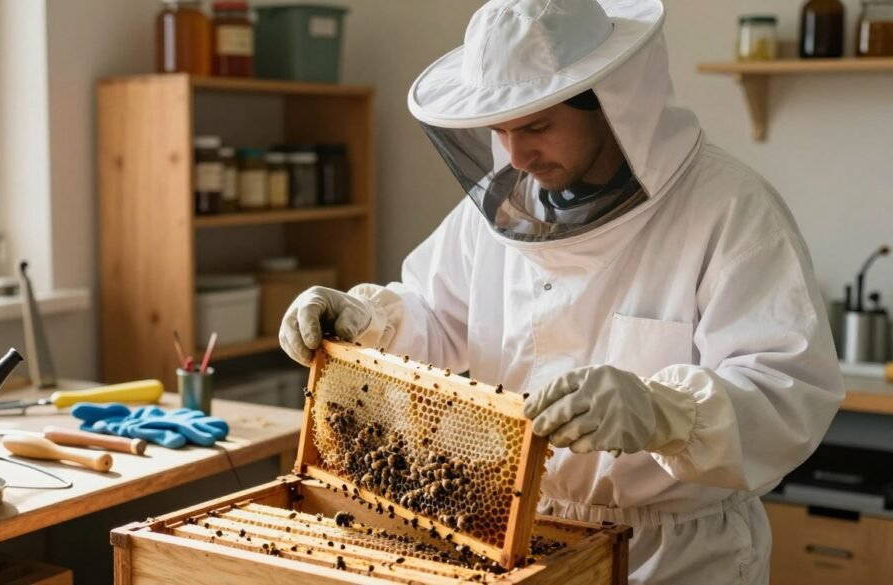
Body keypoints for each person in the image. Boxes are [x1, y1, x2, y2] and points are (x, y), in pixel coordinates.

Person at [279, 0, 844, 582]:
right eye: (499, 130)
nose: (517, 156)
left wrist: (661, 414)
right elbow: (439, 322)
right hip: (518, 539)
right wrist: (365, 320)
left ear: (610, 104)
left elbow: (789, 391)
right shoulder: (496, 212)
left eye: (537, 127)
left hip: (679, 554)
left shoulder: (730, 211)